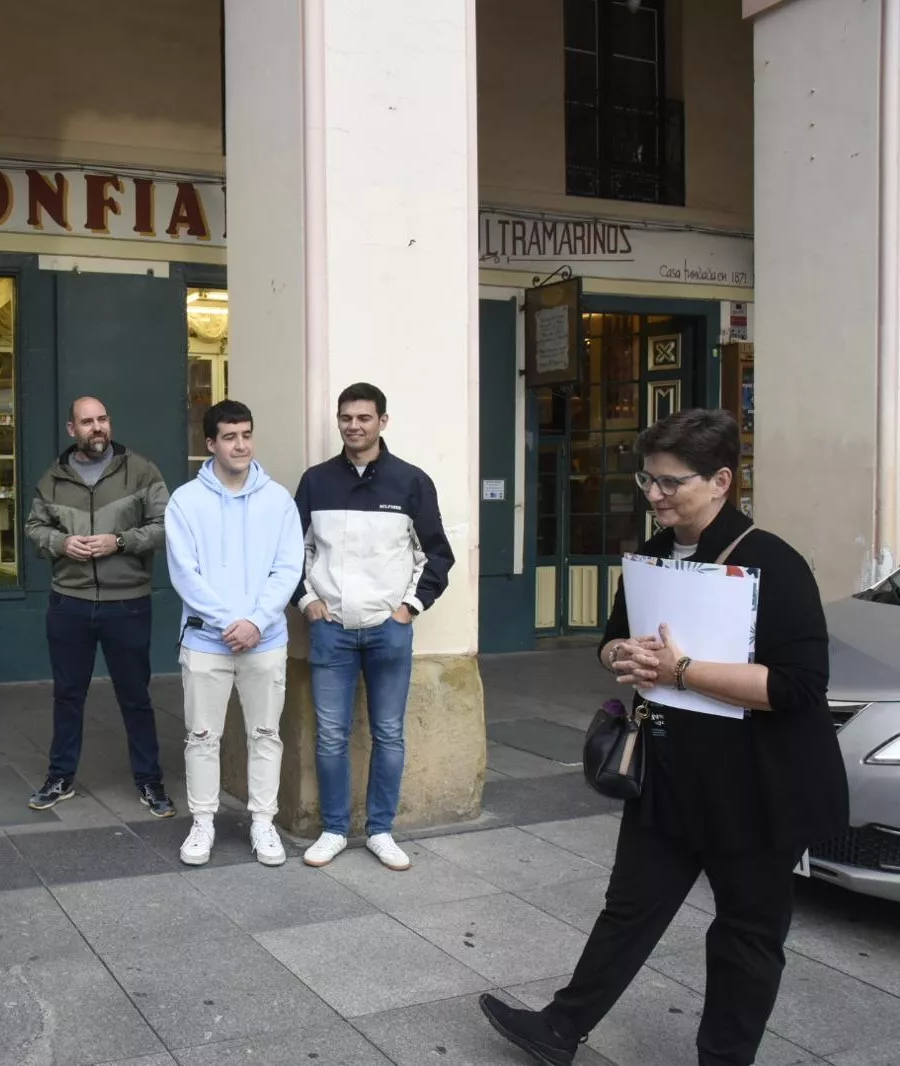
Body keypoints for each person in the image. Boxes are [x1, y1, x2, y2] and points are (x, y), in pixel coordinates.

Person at [480, 408, 848, 1066]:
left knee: (747, 933)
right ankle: (561, 1028)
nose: (654, 495)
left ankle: (724, 1059)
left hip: (758, 787)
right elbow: (610, 640)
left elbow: (797, 687)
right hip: (671, 774)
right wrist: (618, 654)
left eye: (670, 483)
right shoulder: (650, 556)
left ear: (721, 481)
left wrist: (684, 671)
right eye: (647, 480)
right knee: (630, 907)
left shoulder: (774, 562)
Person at [295, 382, 454, 871]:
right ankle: (335, 829)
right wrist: (306, 600)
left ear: (383, 421)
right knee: (330, 736)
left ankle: (381, 830)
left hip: (389, 630)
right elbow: (291, 552)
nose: (354, 425)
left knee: (389, 734)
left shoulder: (411, 482)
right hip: (332, 631)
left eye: (364, 417)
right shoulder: (316, 481)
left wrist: (408, 607)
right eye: (346, 417)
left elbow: (437, 555)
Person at [165, 401, 303, 867]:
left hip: (264, 640)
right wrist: (230, 623)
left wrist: (256, 622)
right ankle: (202, 821)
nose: (241, 444)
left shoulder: (278, 500)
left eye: (246, 434)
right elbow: (186, 574)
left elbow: (288, 568)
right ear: (210, 443)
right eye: (229, 436)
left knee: (266, 734)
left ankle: (263, 822)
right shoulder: (186, 501)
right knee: (202, 736)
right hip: (207, 642)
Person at [24, 396, 176, 817]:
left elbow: (168, 526)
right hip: (68, 603)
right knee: (68, 695)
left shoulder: (141, 471)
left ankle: (150, 782)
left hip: (126, 602)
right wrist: (60, 543)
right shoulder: (53, 478)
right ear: (72, 429)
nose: (97, 428)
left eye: (103, 419)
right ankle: (60, 777)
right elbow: (34, 527)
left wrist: (120, 541)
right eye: (87, 422)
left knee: (135, 696)